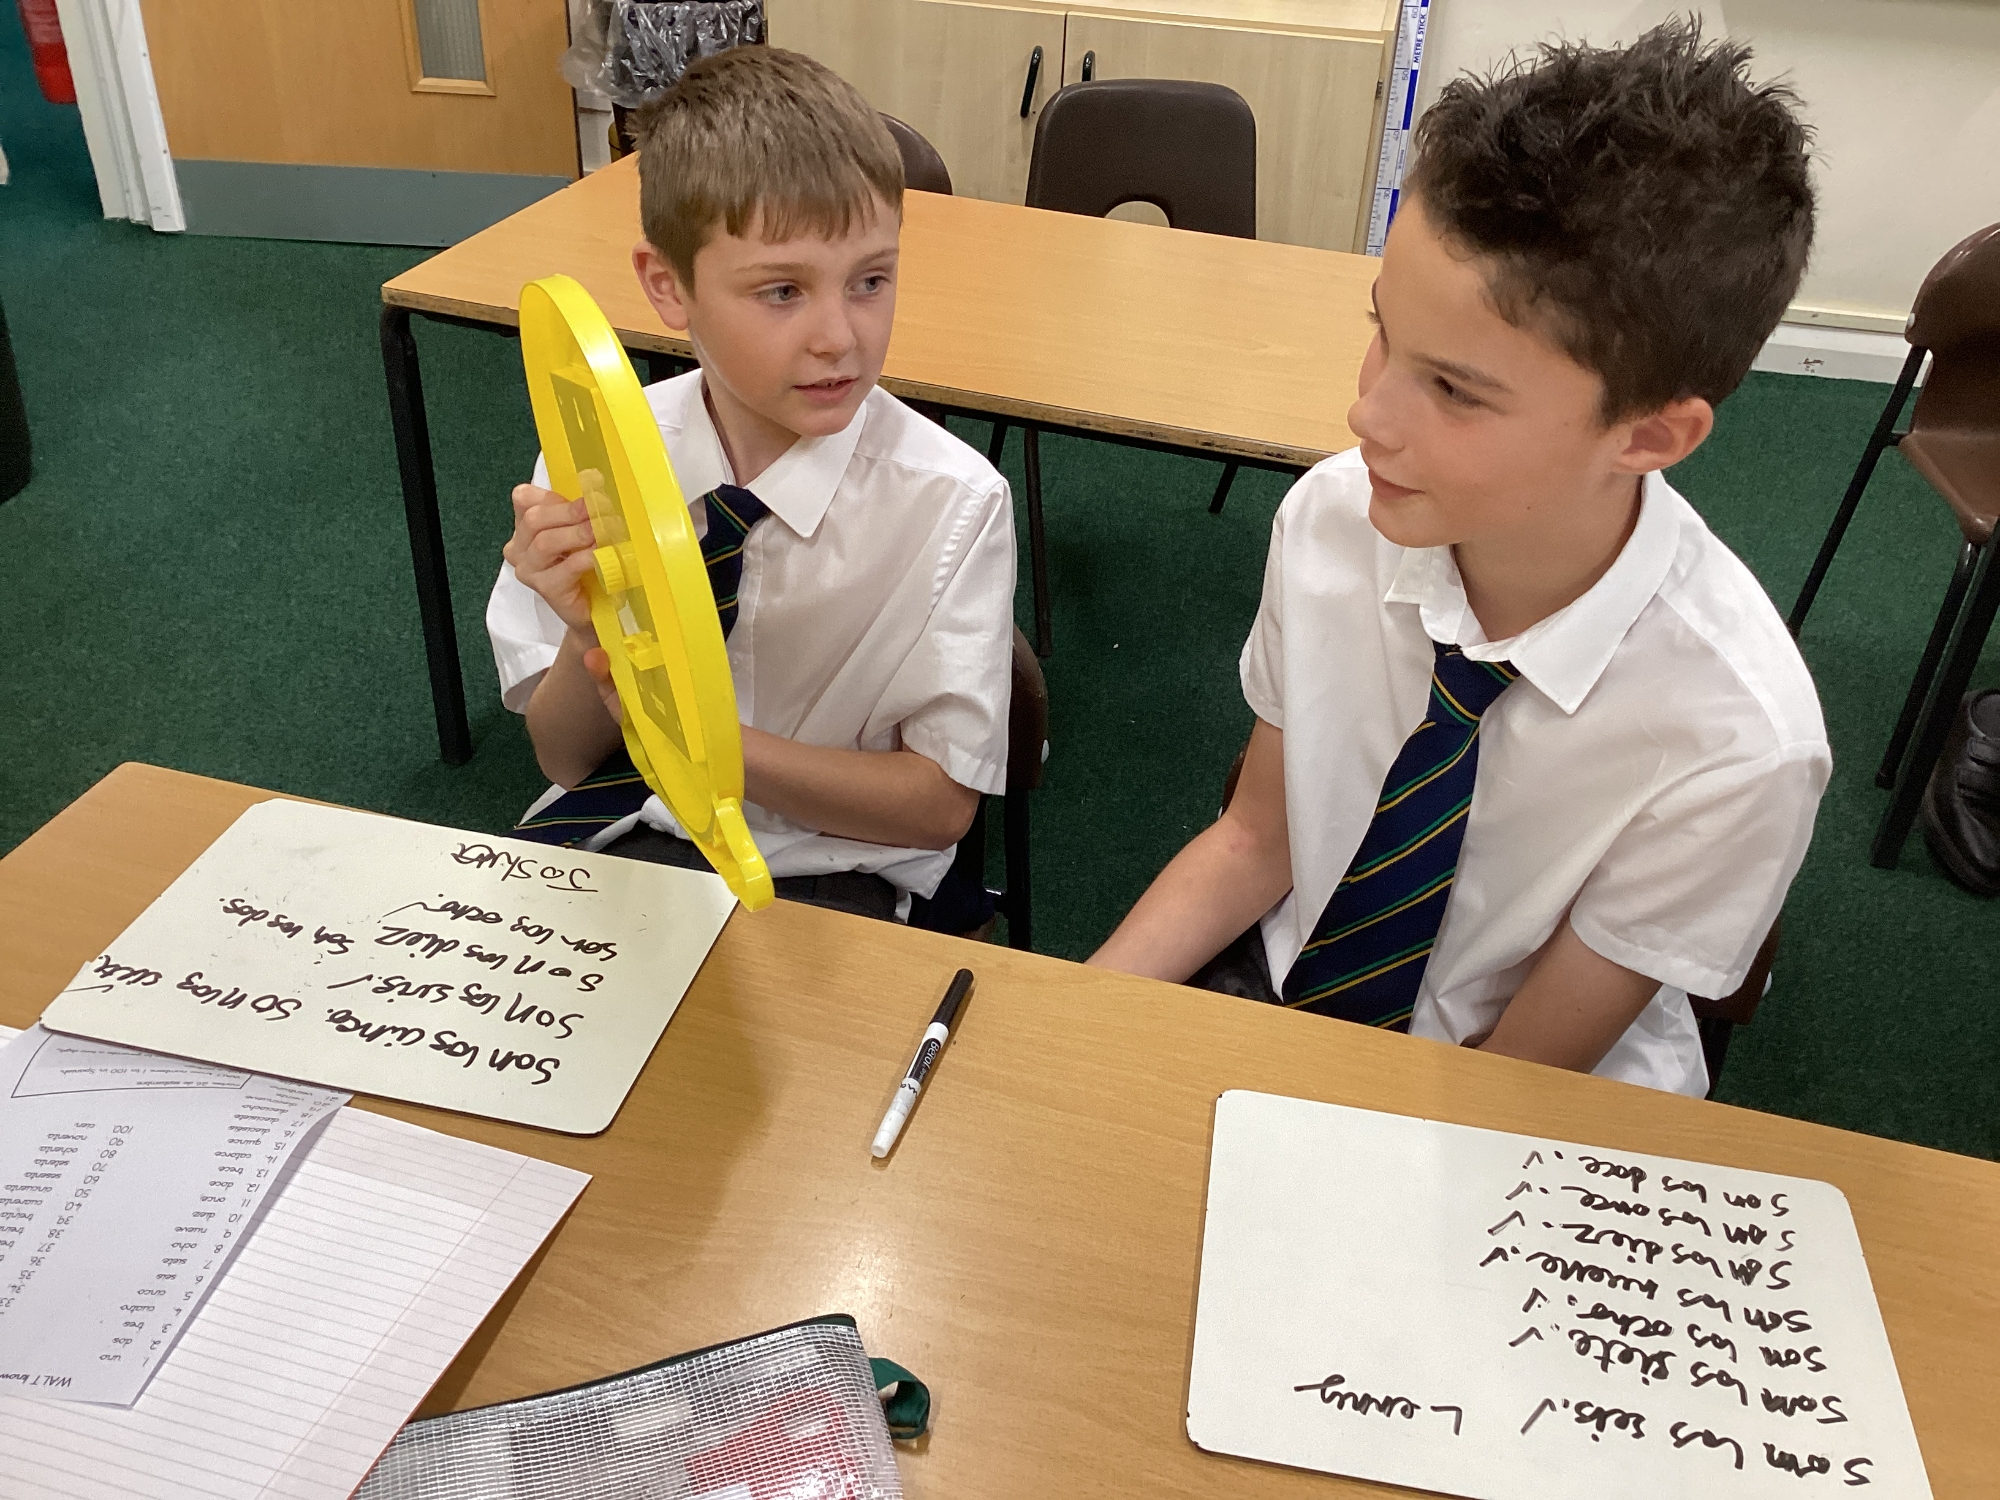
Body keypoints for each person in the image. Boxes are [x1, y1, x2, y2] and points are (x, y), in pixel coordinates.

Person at [1089, 20, 1830, 1097]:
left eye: (1452, 389)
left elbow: (1517, 1076)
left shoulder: (1737, 740)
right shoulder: (1335, 518)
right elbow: (1255, 841)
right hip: (1288, 986)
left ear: (1651, 435)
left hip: (1512, 1092)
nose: (1366, 414)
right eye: (1383, 331)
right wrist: (1073, 1019)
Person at [488, 46, 1016, 927]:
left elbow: (935, 808)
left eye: (871, 281)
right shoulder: (598, 457)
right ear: (669, 287)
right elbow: (566, 759)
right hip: (616, 835)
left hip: (824, 872)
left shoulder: (952, 504)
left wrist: (710, 747)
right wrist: (589, 630)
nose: (839, 336)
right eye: (781, 291)